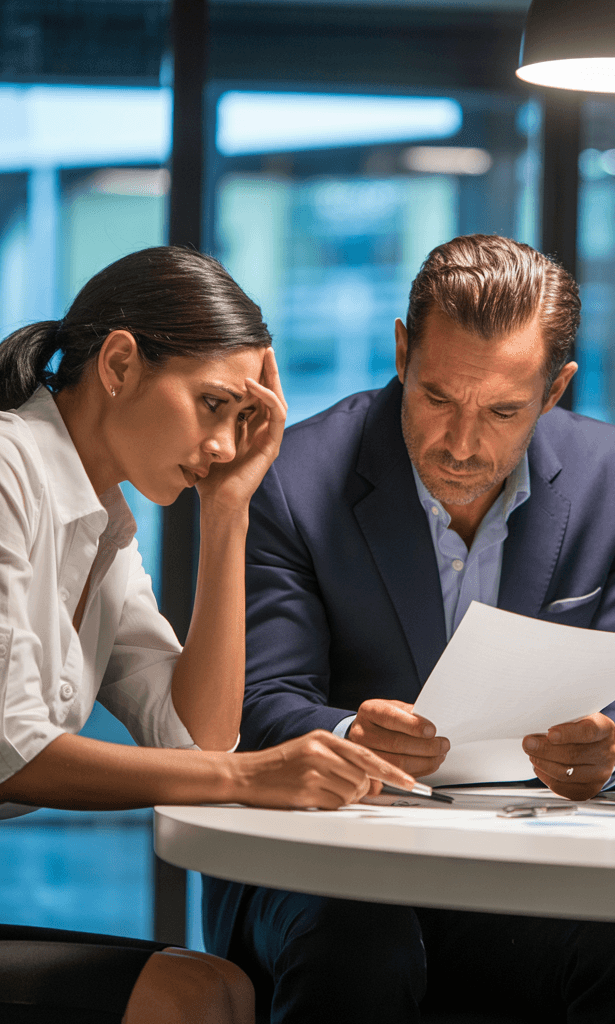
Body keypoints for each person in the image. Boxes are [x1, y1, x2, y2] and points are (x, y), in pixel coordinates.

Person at [202, 234, 615, 1022]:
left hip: (520, 855)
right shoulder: (291, 475)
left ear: (555, 390)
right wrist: (351, 736)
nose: (462, 444)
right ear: (402, 352)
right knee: (362, 943)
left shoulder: (613, 474)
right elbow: (254, 703)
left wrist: (612, 750)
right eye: (437, 399)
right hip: (325, 862)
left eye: (502, 411)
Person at [0, 246, 417, 1024]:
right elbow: (13, 754)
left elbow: (197, 737)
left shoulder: (105, 525)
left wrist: (229, 511)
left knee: (223, 986)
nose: (225, 446)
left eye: (240, 419)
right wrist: (253, 776)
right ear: (119, 364)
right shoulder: (7, 471)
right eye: (211, 404)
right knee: (188, 997)